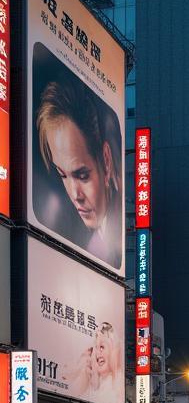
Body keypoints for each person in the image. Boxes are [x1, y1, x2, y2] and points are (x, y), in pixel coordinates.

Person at [35, 77, 123, 268]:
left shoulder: (117, 240)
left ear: (106, 161)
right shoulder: (85, 239)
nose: (75, 195)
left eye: (82, 175)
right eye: (62, 175)